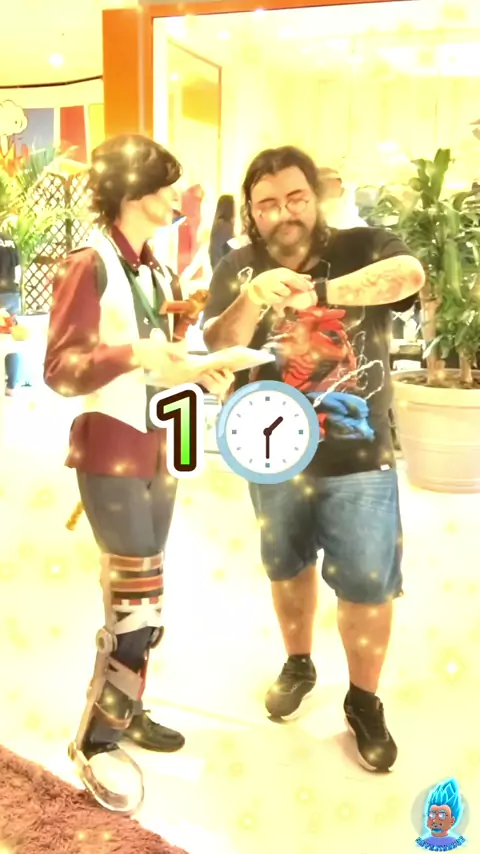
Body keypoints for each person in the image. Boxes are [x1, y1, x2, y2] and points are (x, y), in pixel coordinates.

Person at [203, 145, 424, 773]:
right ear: (252, 212)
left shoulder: (362, 245)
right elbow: (216, 341)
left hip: (360, 455)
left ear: (315, 197)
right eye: (267, 204)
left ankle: (363, 699)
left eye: (295, 197)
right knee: (287, 564)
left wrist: (318, 292)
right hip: (271, 453)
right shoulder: (238, 266)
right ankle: (298, 663)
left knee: (368, 583)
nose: (284, 213)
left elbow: (409, 276)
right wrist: (253, 297)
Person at [44, 133, 234, 812]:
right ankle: (94, 739)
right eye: (164, 185)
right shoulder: (88, 263)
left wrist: (198, 371)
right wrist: (134, 354)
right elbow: (61, 369)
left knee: (148, 595)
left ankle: (125, 708)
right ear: (132, 190)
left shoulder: (155, 270)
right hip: (114, 446)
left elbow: (166, 359)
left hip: (165, 440)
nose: (175, 198)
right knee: (133, 602)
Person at [0, 231, 22, 395]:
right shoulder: (9, 240)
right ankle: (11, 385)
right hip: (11, 294)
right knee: (10, 338)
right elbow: (18, 270)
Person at [209, 194, 235, 270]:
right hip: (223, 267)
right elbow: (227, 250)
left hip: (218, 266)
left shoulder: (218, 224)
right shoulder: (225, 226)